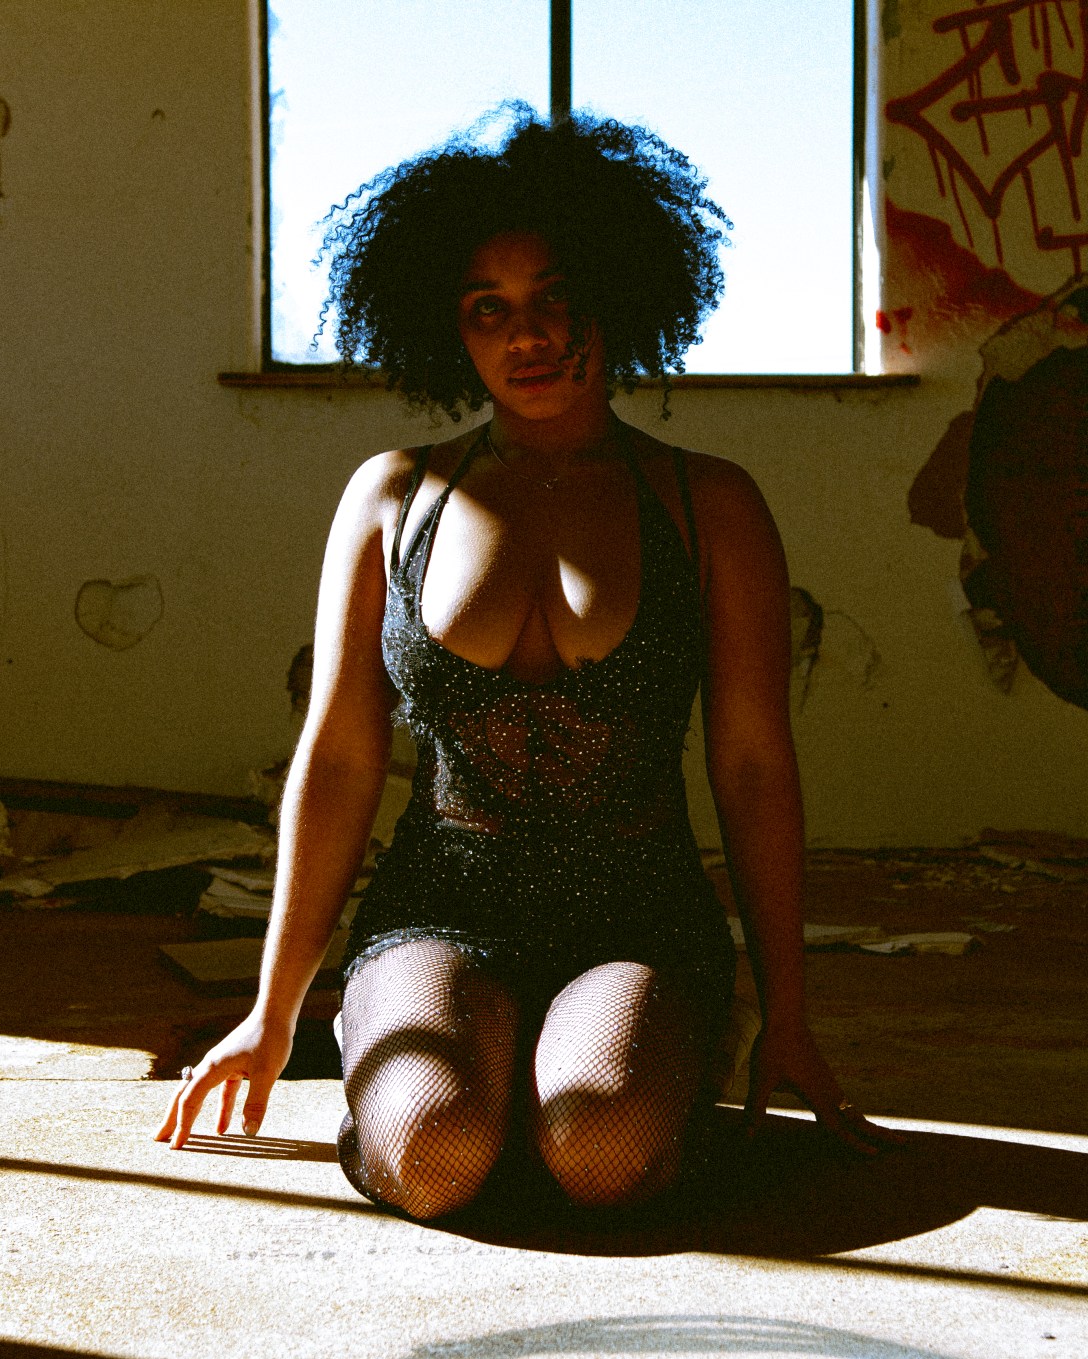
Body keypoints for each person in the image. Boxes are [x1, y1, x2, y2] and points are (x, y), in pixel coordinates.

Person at [156, 107, 900, 1218]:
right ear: (447, 328)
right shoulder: (393, 496)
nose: (529, 334)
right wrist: (270, 1010)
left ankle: (644, 1060)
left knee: (598, 1149)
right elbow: (340, 755)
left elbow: (752, 764)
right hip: (440, 906)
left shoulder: (708, 503)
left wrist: (789, 1012)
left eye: (557, 295)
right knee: (431, 1156)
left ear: (616, 294)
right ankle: (425, 1060)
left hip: (638, 915)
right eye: (487, 308)